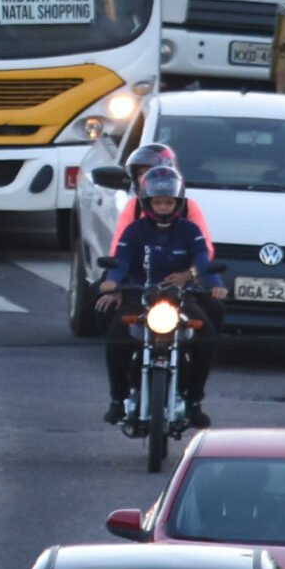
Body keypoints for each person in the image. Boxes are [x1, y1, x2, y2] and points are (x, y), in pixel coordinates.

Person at [98, 166, 227, 428]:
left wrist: (215, 284)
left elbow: (203, 260)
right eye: (158, 202)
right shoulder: (134, 230)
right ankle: (117, 399)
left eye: (169, 202)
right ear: (147, 202)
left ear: (179, 202)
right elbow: (121, 260)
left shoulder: (190, 230)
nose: (164, 207)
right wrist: (112, 281)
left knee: (207, 336)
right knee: (115, 335)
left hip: (182, 298)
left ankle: (194, 401)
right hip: (140, 297)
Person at [109, 143, 215, 257]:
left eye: (150, 171)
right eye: (140, 173)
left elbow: (205, 250)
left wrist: (190, 272)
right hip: (142, 270)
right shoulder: (134, 207)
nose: (145, 177)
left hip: (180, 270)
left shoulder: (188, 207)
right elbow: (117, 249)